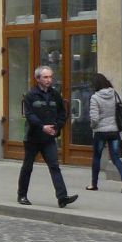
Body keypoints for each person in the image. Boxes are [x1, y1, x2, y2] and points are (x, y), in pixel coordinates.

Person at [17, 66, 78, 208]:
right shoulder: (30, 95)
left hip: (49, 138)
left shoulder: (55, 94)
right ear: (37, 79)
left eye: (50, 77)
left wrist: (57, 127)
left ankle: (62, 197)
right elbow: (29, 115)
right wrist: (42, 127)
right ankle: (22, 195)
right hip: (33, 137)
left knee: (54, 166)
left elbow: (63, 113)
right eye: (45, 77)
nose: (49, 80)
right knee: (27, 167)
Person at [88, 73, 122, 193]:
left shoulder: (95, 98)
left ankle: (94, 184)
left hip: (100, 132)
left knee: (97, 157)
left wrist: (92, 127)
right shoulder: (113, 94)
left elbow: (94, 119)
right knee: (116, 157)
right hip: (114, 131)